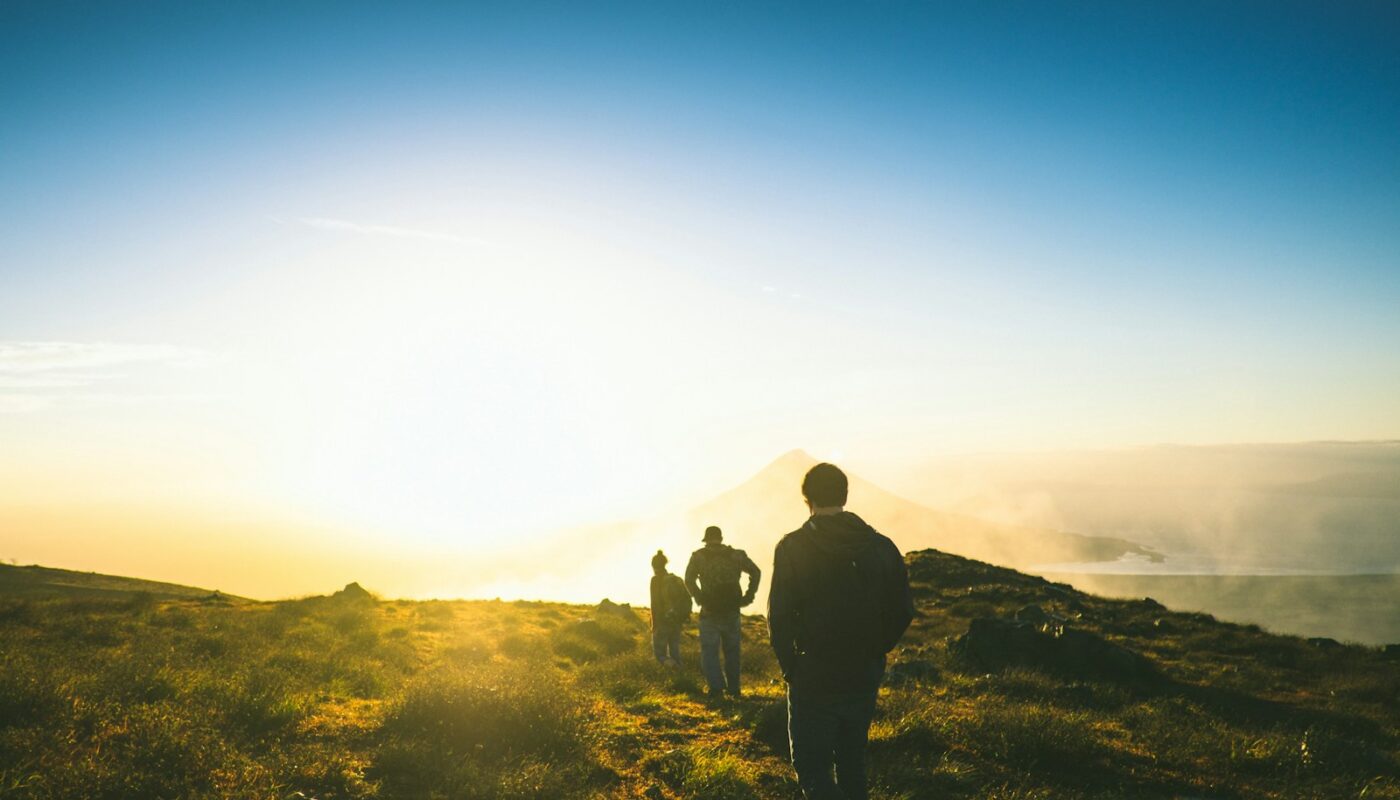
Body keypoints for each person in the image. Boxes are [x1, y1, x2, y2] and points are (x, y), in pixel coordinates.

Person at [768, 462, 915, 800]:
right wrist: (876, 650)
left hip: (813, 673)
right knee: (852, 764)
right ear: (845, 495)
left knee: (812, 770)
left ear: (807, 499)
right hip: (863, 673)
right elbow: (903, 609)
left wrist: (791, 666)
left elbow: (779, 617)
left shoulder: (792, 547)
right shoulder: (881, 546)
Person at [684, 525, 761, 699]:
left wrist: (700, 598)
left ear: (706, 539)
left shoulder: (698, 557)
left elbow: (688, 580)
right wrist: (748, 596)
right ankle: (734, 689)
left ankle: (716, 689)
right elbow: (756, 572)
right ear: (721, 538)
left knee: (710, 652)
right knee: (732, 652)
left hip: (709, 611)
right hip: (732, 610)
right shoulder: (736, 555)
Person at [648, 550, 690, 667]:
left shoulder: (655, 580)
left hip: (663, 621)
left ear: (653, 565)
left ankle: (674, 668)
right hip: (676, 620)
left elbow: (654, 603)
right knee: (675, 653)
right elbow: (686, 598)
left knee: (660, 655)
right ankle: (681, 677)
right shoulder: (676, 579)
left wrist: (654, 625)